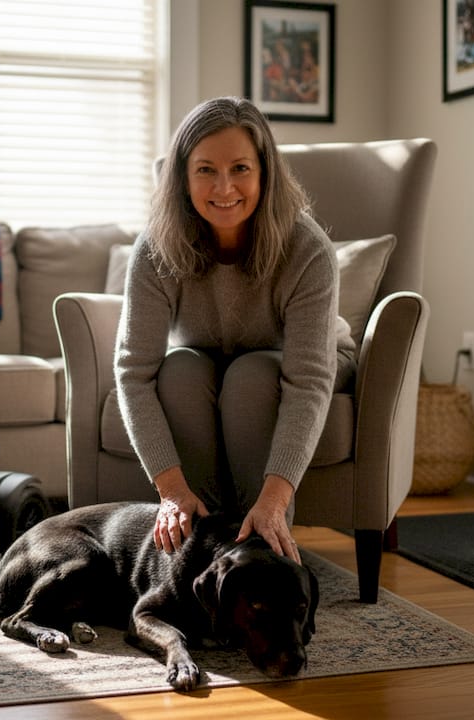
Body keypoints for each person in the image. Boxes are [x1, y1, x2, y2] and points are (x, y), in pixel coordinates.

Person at [114, 96, 356, 565]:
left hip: (304, 365)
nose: (224, 187)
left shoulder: (308, 250)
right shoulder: (154, 250)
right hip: (205, 363)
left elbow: (308, 381)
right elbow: (133, 373)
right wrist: (171, 491)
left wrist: (275, 500)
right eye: (206, 170)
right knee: (178, 368)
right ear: (183, 178)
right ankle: (199, 548)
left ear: (265, 173)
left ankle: (264, 546)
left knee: (252, 376)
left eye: (240, 168)